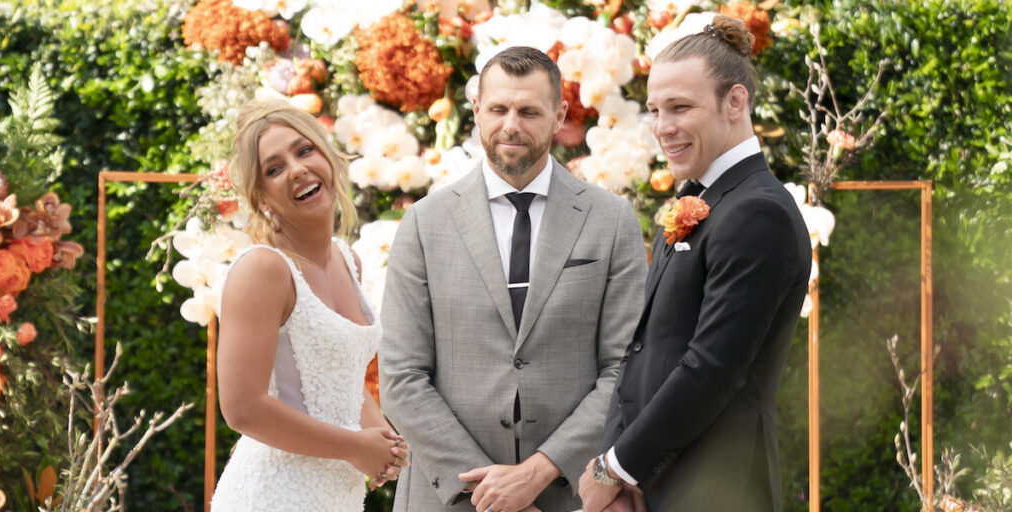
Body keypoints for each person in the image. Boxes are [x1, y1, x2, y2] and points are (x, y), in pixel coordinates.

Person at [379, 46, 647, 512]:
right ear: (478, 110)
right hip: (447, 497)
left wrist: (536, 473)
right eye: (499, 109)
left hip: (565, 494)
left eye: (529, 111)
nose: (511, 125)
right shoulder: (424, 223)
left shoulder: (611, 220)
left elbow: (623, 370)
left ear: (560, 114)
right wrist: (488, 491)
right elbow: (402, 377)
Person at [579, 15, 813, 512]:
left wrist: (614, 469)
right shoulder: (703, 200)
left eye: (680, 107)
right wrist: (618, 474)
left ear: (735, 101)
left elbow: (712, 369)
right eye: (656, 110)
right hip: (657, 488)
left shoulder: (758, 212)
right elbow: (642, 351)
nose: (664, 127)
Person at [209, 98, 409, 511]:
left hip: (337, 496)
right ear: (261, 197)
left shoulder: (347, 259)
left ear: (328, 158)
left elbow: (340, 379)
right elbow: (242, 409)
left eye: (304, 151)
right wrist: (355, 447)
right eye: (274, 169)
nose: (297, 169)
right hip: (272, 494)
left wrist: (384, 441)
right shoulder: (263, 270)